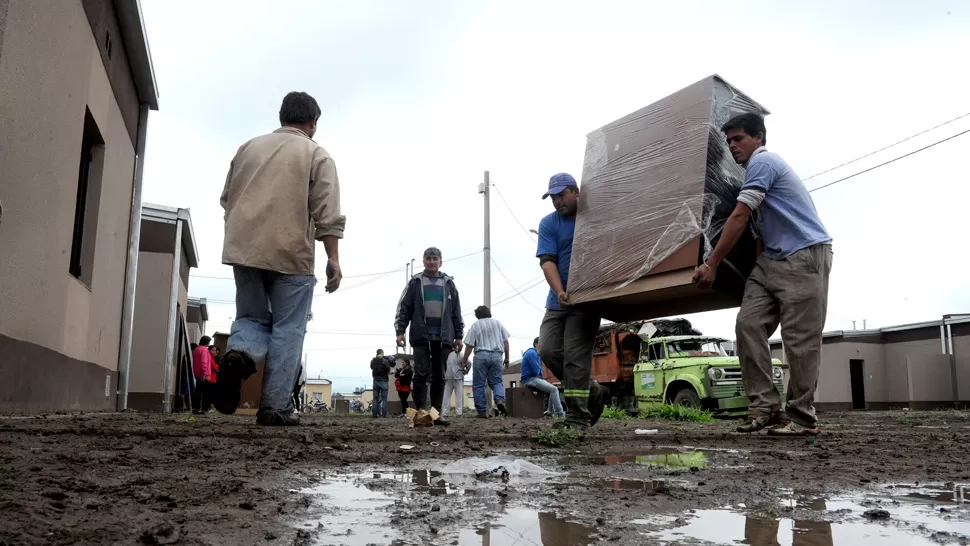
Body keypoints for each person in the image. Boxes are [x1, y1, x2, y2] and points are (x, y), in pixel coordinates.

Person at [692, 112, 832, 436]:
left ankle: (801, 417)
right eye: (728, 141)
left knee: (800, 341)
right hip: (771, 259)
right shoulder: (749, 175)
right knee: (748, 325)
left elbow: (740, 216)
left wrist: (711, 263)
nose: (732, 146)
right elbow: (756, 229)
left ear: (759, 138)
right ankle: (765, 409)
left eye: (738, 138)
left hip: (803, 255)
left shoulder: (763, 163)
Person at [217, 91, 346, 426]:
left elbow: (226, 198)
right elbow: (327, 212)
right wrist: (333, 258)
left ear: (282, 116)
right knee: (289, 328)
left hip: (244, 248)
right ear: (313, 122)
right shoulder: (317, 155)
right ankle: (274, 407)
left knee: (250, 316)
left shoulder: (248, 148)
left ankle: (239, 354)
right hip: (291, 254)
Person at [536, 173, 609, 429]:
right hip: (558, 300)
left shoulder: (595, 218)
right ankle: (592, 391)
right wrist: (559, 291)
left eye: (561, 194)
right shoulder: (549, 223)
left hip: (587, 299)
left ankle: (578, 417)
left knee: (575, 358)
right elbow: (547, 261)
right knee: (547, 349)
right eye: (553, 197)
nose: (557, 201)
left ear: (576, 191)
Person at [394, 247, 464, 426]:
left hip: (443, 338)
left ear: (440, 261)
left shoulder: (449, 283)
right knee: (420, 374)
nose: (432, 261)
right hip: (421, 335)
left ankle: (435, 414)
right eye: (428, 258)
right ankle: (420, 413)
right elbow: (404, 307)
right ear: (423, 261)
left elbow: (456, 310)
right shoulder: (416, 282)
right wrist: (400, 331)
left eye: (435, 258)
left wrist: (458, 335)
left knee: (439, 376)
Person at [461, 305, 510, 418]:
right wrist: (507, 359)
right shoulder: (498, 324)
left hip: (481, 356)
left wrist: (464, 361)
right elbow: (506, 343)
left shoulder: (475, 325)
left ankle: (482, 412)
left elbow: (469, 346)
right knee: (497, 381)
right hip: (497, 356)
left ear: (477, 315)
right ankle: (499, 400)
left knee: (479, 384)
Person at [522, 337, 564, 418]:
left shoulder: (536, 354)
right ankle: (561, 414)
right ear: (536, 344)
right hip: (530, 379)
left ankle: (550, 413)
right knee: (554, 389)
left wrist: (539, 371)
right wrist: (539, 370)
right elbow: (536, 371)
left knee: (552, 389)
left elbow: (539, 371)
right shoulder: (532, 353)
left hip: (533, 378)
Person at [192, 336, 214, 414]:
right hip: (203, 374)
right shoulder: (204, 350)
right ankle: (203, 408)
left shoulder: (197, 349)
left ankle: (196, 408)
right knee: (204, 393)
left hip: (197, 373)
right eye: (209, 341)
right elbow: (203, 362)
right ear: (207, 342)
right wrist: (204, 373)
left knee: (198, 391)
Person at [441, 347, 465, 418]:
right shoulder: (460, 355)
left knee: (446, 396)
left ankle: (445, 413)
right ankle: (459, 413)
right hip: (458, 377)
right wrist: (465, 371)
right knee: (459, 396)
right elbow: (469, 363)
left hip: (448, 377)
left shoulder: (446, 355)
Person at [370, 349, 394, 418]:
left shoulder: (373, 361)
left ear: (377, 353)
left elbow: (372, 368)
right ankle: (384, 414)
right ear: (382, 353)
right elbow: (388, 370)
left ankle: (374, 414)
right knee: (384, 398)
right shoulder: (385, 361)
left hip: (375, 380)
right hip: (384, 380)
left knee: (375, 398)